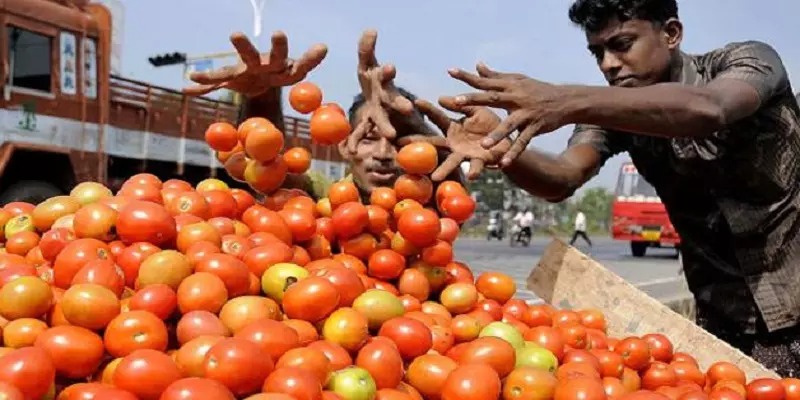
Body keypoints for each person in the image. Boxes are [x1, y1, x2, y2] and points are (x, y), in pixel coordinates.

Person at [402, 0, 800, 376]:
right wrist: (504, 148)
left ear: (671, 33)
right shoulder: (611, 113)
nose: (609, 64)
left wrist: (564, 99)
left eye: (622, 45)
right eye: (597, 53)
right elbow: (562, 176)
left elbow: (709, 108)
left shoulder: (749, 61)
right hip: (723, 322)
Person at [184, 31, 462, 201]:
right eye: (368, 138)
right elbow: (269, 170)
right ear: (344, 145)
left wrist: (415, 123)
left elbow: (448, 178)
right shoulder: (325, 195)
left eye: (402, 142)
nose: (383, 153)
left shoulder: (429, 204)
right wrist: (262, 96)